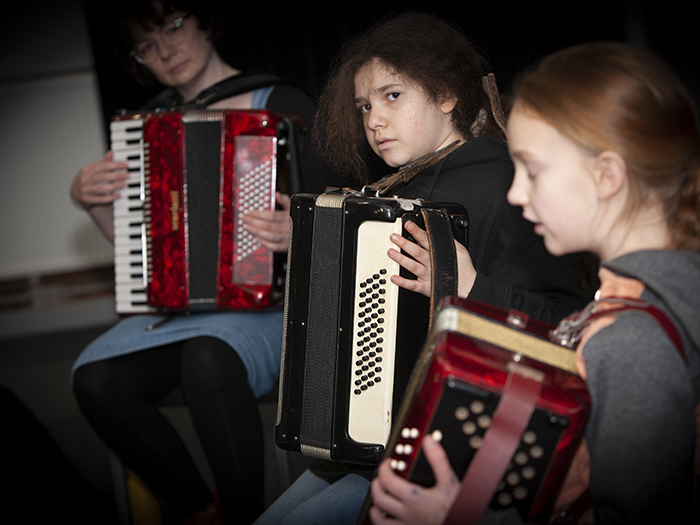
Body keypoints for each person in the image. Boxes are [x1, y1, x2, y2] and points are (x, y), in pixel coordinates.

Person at [254, 12, 592, 525]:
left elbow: (566, 326)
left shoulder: (506, 184)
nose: (373, 119)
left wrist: (471, 285)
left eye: (393, 96)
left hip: (459, 452)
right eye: (364, 105)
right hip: (371, 450)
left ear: (445, 96)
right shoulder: (389, 197)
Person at [368, 41, 700, 525]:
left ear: (606, 175)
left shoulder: (632, 342)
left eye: (534, 171)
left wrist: (460, 516)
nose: (518, 193)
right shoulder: (634, 297)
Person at [69, 1, 339, 523]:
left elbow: (345, 209)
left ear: (203, 22)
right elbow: (137, 248)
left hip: (274, 306)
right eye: (146, 45)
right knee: (94, 381)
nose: (165, 51)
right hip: (180, 310)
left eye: (172, 28)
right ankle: (199, 509)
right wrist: (93, 202)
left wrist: (300, 228)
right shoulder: (147, 124)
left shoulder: (282, 100)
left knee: (206, 357)